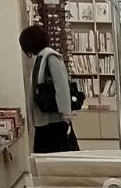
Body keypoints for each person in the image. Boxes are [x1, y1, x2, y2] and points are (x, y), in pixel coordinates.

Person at [18, 24, 79, 154]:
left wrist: (66, 114)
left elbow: (62, 85)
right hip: (43, 119)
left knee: (53, 155)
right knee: (44, 155)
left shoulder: (51, 57)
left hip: (55, 120)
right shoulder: (40, 58)